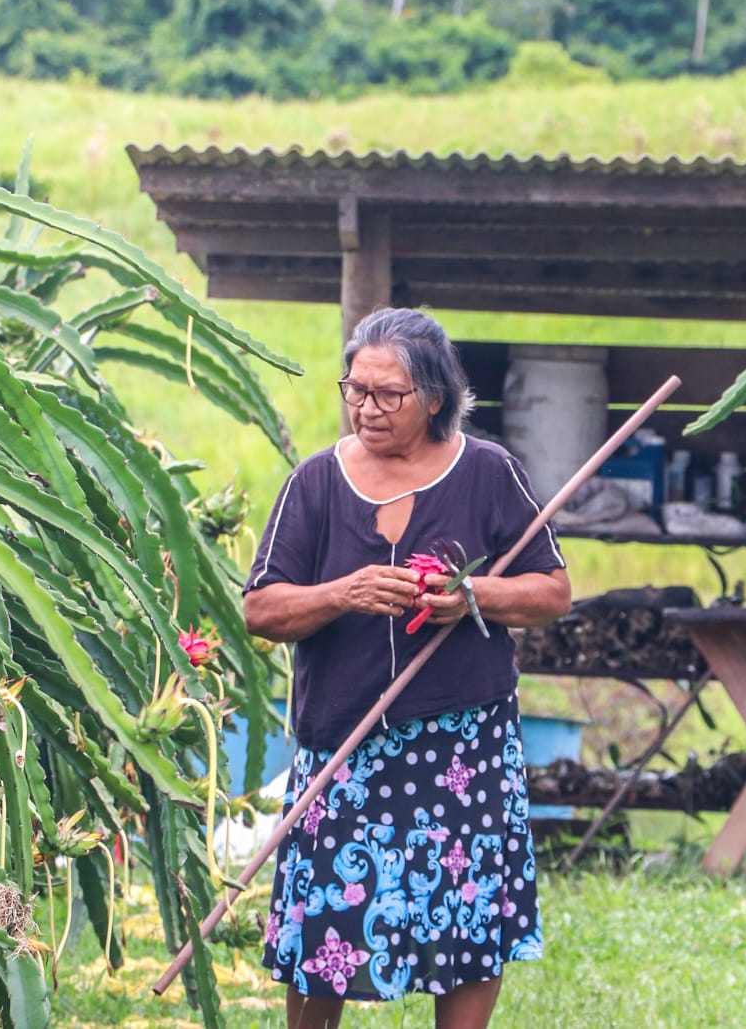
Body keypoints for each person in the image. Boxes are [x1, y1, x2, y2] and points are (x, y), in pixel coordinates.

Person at [244, 307, 572, 1028]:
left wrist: (471, 595)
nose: (367, 407)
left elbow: (552, 589)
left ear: (433, 396)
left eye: (387, 394)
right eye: (355, 390)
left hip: (463, 750)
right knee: (322, 923)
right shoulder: (316, 483)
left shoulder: (488, 472)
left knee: (467, 921)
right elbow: (261, 608)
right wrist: (342, 592)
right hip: (345, 749)